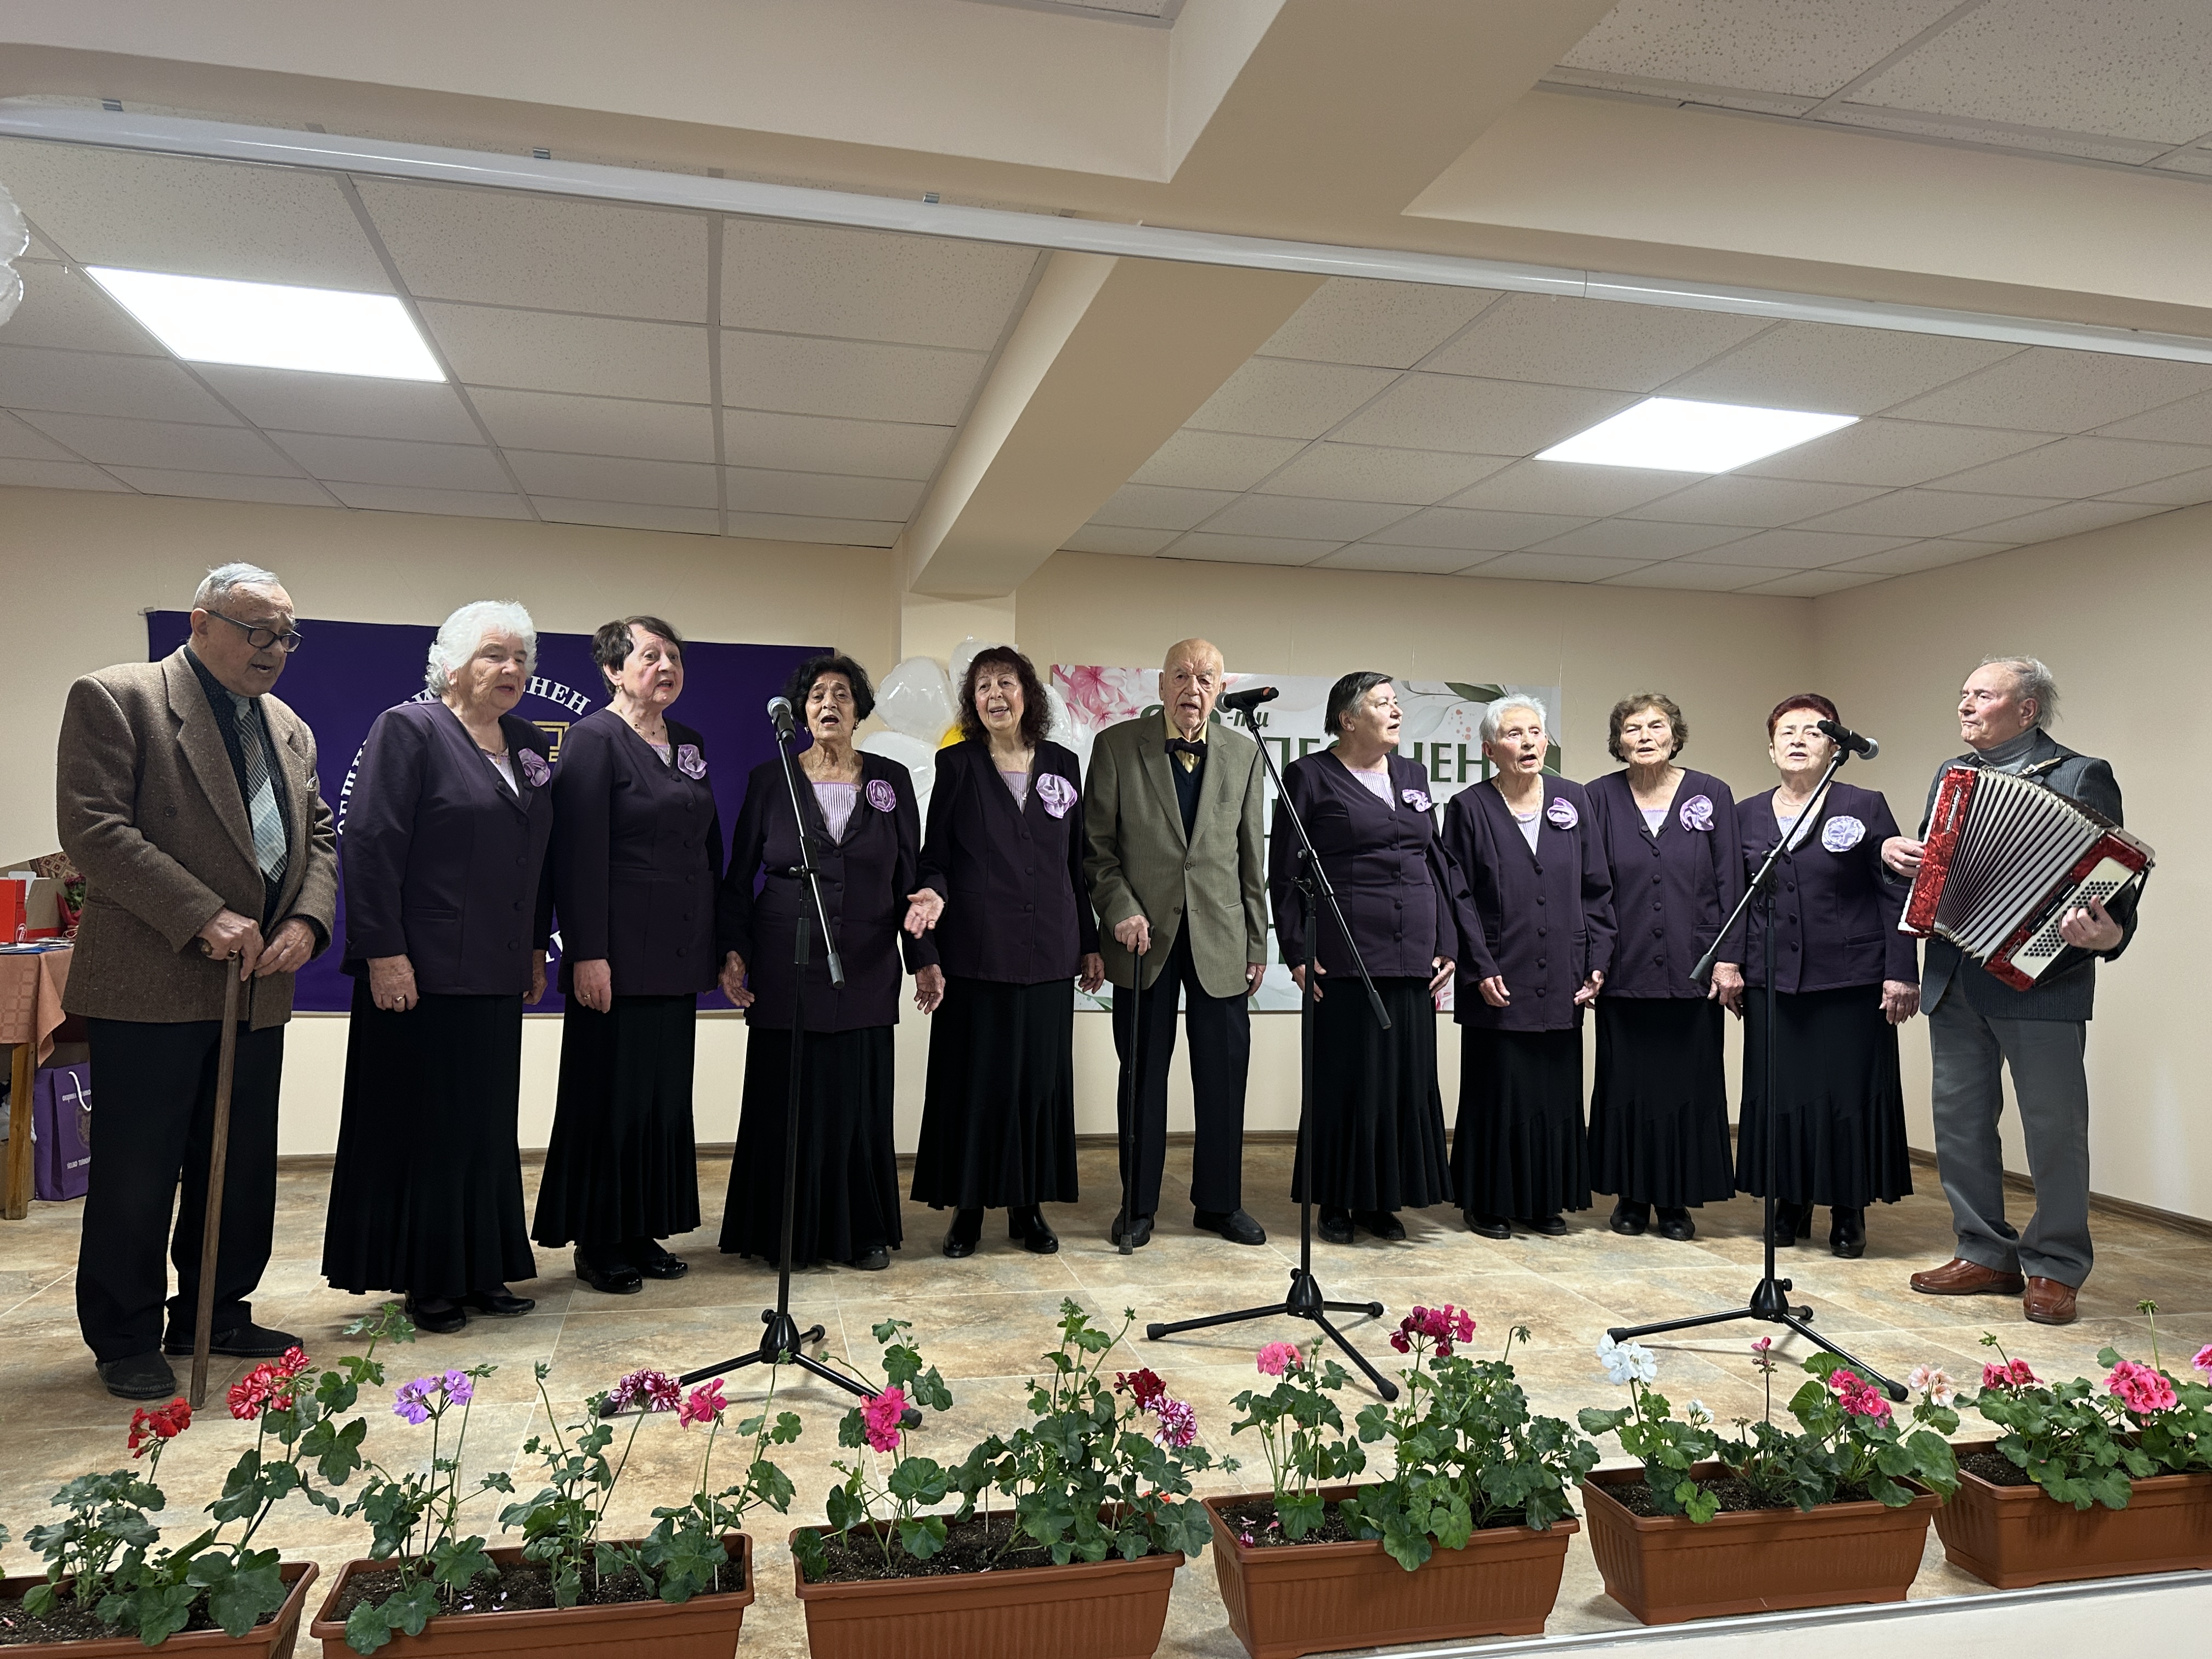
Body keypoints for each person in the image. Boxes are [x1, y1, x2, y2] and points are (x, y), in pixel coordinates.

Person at [57, 562, 336, 1400]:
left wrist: (306, 921)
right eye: (258, 631)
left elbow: (320, 835)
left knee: (240, 1166)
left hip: (257, 983)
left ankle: (215, 1311)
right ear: (201, 622)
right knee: (138, 1170)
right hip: (153, 980)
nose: (274, 649)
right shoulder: (120, 697)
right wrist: (203, 914)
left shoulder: (288, 726)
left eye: (286, 635)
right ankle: (125, 1333)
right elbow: (95, 828)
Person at [321, 601, 554, 1334]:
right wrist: (384, 953)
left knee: (483, 1128)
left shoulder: (526, 741)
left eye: (520, 657)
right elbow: (369, 842)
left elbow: (535, 855)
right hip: (420, 974)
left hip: (495, 969)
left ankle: (481, 1269)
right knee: (428, 1130)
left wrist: (533, 945)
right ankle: (428, 1279)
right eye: (494, 654)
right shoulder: (409, 729)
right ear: (451, 665)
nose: (512, 668)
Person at [1883, 658, 2137, 1327]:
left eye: (1982, 695)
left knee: (2054, 1129)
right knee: (1960, 1124)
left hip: (2040, 978)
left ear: (2026, 710)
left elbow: (2111, 878)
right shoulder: (1953, 774)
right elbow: (1938, 869)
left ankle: (2056, 1266)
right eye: (1963, 694)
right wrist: (1900, 859)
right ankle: (1984, 1252)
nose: (1965, 705)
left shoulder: (2081, 775)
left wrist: (2107, 934)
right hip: (1955, 973)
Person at [719, 653, 941, 1271]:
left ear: (858, 710)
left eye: (842, 694)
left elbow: (910, 878)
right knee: (786, 1101)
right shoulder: (771, 779)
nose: (829, 704)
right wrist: (733, 952)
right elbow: (739, 878)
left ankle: (862, 1231)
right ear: (801, 710)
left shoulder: (891, 780)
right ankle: (782, 1232)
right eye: (817, 694)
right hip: (784, 962)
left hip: (867, 964)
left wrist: (924, 958)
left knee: (856, 1103)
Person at [532, 616, 721, 1296]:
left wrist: (718, 941)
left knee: (660, 1100)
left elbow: (708, 846)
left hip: (678, 952)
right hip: (615, 957)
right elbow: (576, 855)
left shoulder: (689, 743)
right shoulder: (593, 739)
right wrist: (588, 952)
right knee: (609, 1098)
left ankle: (643, 1227)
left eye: (674, 656)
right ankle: (600, 1239)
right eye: (650, 656)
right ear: (613, 670)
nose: (666, 666)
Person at [906, 647, 1103, 1257]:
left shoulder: (1063, 764)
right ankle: (967, 1210)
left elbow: (1076, 864)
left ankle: (1028, 1206)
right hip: (975, 954)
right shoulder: (957, 764)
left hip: (1049, 953)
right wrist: (929, 930)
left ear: (1027, 694)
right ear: (973, 702)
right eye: (984, 686)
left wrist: (1089, 943)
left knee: (1037, 1085)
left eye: (1006, 683)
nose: (996, 694)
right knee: (977, 1084)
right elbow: (935, 859)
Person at [1082, 638, 1269, 1249]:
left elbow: (1251, 857)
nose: (1194, 688)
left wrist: (1257, 941)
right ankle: (1137, 1206)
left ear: (1220, 690)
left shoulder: (1245, 753)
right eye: (1182, 676)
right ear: (1161, 686)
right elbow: (1097, 851)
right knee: (1141, 1076)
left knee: (1224, 1077)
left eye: (1206, 678)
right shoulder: (1116, 747)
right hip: (1143, 940)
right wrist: (1121, 911)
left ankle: (1219, 1205)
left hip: (1222, 935)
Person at [1269, 673, 1457, 1244]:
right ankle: (1337, 1198)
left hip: (1412, 953)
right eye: (1382, 703)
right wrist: (1298, 951)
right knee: (1347, 1080)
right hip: (1345, 955)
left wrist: (1447, 941)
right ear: (1348, 719)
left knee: (1403, 1080)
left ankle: (1383, 1199)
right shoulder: (1309, 775)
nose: (1396, 711)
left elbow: (1436, 863)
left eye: (1397, 702)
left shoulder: (1413, 775)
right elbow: (1285, 871)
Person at [1735, 695, 1918, 1259]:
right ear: (1771, 749)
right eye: (1786, 732)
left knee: (1846, 1097)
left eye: (1813, 732)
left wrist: (1901, 971)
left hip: (1850, 979)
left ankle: (1847, 1209)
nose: (1798, 740)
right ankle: (1789, 1202)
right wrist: (1731, 963)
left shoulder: (1864, 805)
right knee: (1782, 1096)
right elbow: (1732, 898)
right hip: (1772, 981)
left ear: (1835, 747)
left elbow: (1895, 892)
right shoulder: (1746, 815)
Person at [1441, 695, 1612, 1239]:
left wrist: (1597, 960)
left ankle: (1543, 1199)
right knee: (1498, 1089)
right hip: (1497, 971)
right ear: (1490, 750)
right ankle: (1486, 1200)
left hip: (1563, 970)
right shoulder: (1468, 808)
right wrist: (1478, 965)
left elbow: (1597, 888)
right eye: (1514, 734)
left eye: (1536, 732)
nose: (1529, 742)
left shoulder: (1574, 799)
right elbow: (1456, 894)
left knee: (1553, 1090)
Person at [1583, 693, 1745, 1243]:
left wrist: (1728, 959)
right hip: (1623, 972)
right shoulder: (1596, 797)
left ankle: (1676, 1200)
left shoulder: (1712, 793)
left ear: (1675, 735)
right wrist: (1592, 962)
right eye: (1633, 728)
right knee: (1625, 1087)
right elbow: (1588, 889)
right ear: (1618, 741)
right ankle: (1630, 1196)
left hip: (1694, 972)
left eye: (1656, 726)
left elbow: (1732, 883)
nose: (1645, 736)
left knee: (1687, 1088)